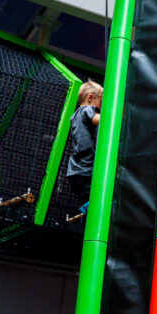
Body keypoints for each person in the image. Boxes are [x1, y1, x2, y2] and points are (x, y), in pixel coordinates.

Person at [66, 80, 103, 215]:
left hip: (77, 170)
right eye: (101, 102)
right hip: (88, 169)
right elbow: (102, 120)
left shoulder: (74, 116)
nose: (101, 107)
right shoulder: (86, 110)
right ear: (90, 98)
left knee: (90, 203)